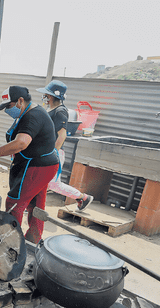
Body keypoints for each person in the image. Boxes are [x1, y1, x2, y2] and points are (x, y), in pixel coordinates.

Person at [0, 86, 59, 244]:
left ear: (20, 101)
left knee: (14, 202)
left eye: (9, 106)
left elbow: (20, 143)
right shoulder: (28, 112)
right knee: (36, 204)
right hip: (44, 165)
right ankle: (32, 240)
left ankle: (9, 243)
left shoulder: (32, 116)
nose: (7, 110)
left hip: (36, 167)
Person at [37, 80, 93, 210]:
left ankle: (82, 197)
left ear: (50, 96)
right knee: (41, 181)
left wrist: (51, 153)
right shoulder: (50, 109)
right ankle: (34, 205)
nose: (44, 97)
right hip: (46, 152)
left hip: (54, 153)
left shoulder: (60, 111)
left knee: (54, 184)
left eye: (46, 94)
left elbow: (62, 135)